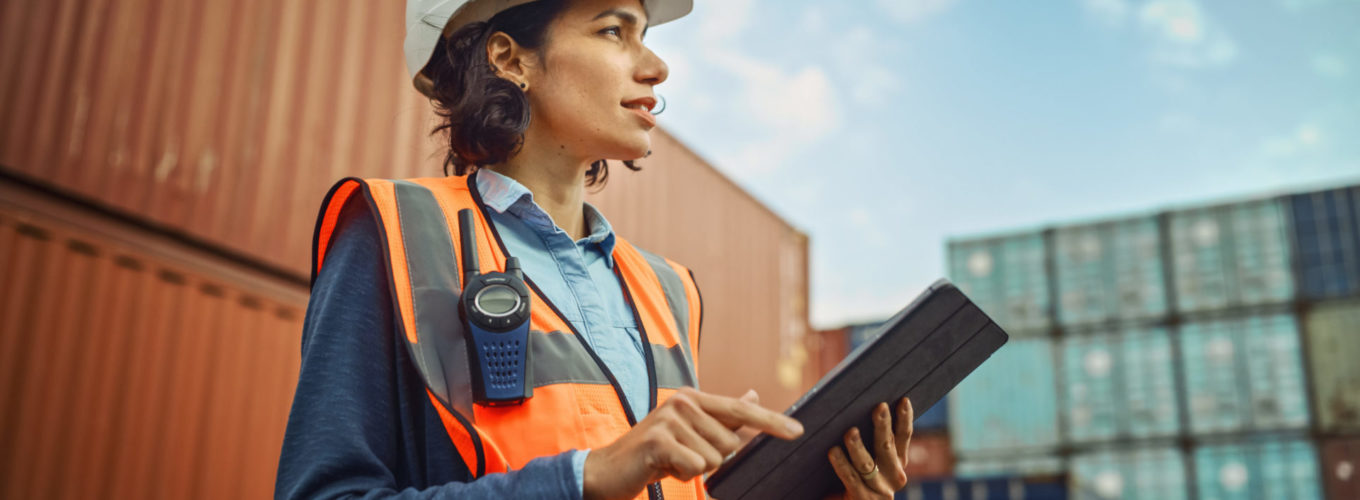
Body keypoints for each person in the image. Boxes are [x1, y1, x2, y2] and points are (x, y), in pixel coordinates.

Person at [274, 0, 915, 498]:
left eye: (648, 37)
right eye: (614, 30)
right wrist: (583, 478)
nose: (656, 67)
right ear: (511, 58)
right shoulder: (395, 232)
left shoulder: (667, 289)